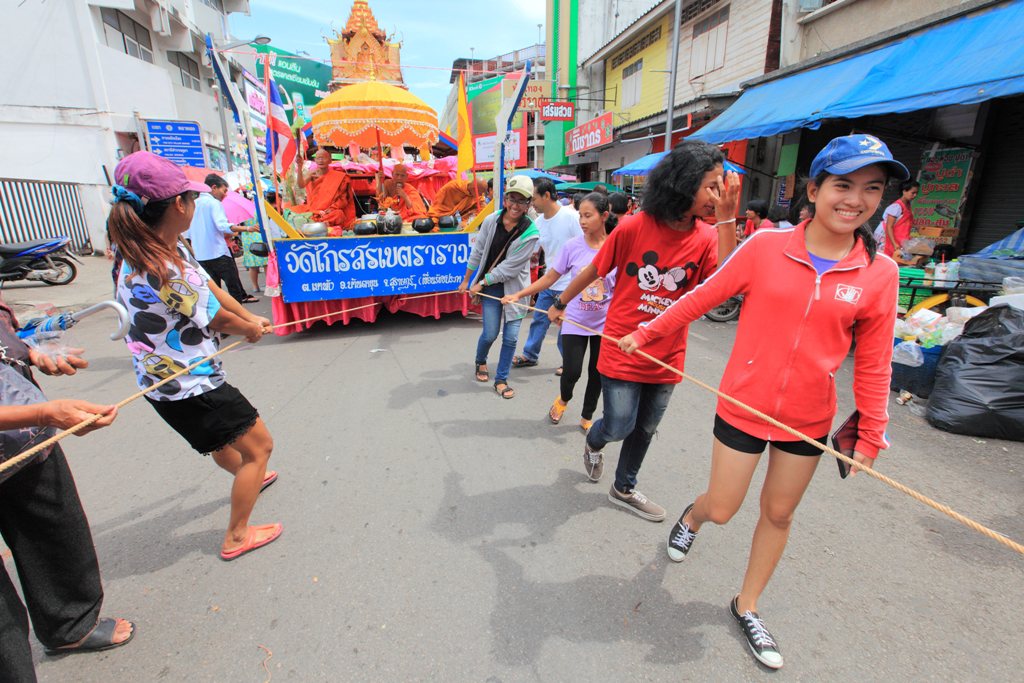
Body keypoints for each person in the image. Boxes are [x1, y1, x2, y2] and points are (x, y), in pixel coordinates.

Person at [618, 134, 906, 670]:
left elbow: (874, 360)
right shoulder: (767, 247)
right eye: (843, 185)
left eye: (872, 188)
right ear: (814, 190)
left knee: (778, 513)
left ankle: (746, 605)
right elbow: (706, 294)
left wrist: (871, 432)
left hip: (807, 419)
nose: (856, 199)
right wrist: (648, 331)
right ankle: (693, 518)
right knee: (724, 508)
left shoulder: (879, 272)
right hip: (743, 405)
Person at [548, 140, 739, 519]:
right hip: (622, 346)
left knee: (646, 427)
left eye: (723, 187)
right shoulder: (634, 228)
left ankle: (624, 487)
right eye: (712, 186)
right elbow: (595, 269)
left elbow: (728, 283)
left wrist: (728, 220)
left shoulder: (705, 237)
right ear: (684, 183)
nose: (719, 195)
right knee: (619, 423)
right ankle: (595, 440)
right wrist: (561, 302)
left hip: (668, 353)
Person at [106, 152, 282, 562]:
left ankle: (247, 477)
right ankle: (237, 535)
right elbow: (213, 314)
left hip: (162, 384)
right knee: (260, 448)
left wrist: (249, 316)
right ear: (177, 205)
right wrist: (248, 329)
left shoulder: (148, 248)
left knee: (221, 442)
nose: (193, 202)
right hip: (191, 384)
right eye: (189, 196)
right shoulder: (162, 266)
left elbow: (212, 292)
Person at [0, 296, 133, 681]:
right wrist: (45, 411)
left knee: (55, 532)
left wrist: (31, 354)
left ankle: (69, 625)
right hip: (28, 421)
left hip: (24, 441)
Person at [503, 192, 617, 431]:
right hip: (575, 319)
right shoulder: (573, 247)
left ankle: (587, 415)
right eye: (581, 216)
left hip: (605, 323)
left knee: (598, 374)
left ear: (604, 216)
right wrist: (520, 295)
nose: (582, 221)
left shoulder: (616, 247)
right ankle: (563, 399)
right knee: (572, 371)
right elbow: (552, 276)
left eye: (588, 216)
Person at [457, 176, 540, 399]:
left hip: (515, 289)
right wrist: (467, 281)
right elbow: (478, 252)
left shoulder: (531, 233)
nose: (515, 205)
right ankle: (480, 360)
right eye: (512, 199)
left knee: (511, 338)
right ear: (505, 199)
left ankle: (501, 379)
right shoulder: (491, 221)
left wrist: (480, 283)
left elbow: (509, 269)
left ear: (529, 203)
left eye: (521, 201)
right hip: (491, 288)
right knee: (490, 332)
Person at [511, 179, 582, 371]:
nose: (532, 202)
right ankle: (530, 355)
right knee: (539, 320)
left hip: (570, 284)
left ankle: (568, 363)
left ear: (547, 196)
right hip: (549, 282)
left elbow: (585, 247)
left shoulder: (572, 217)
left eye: (534, 198)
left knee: (564, 326)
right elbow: (531, 250)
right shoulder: (539, 223)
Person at [184, 174, 257, 304]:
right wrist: (247, 229)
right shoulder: (214, 203)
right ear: (214, 188)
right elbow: (222, 226)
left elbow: (187, 234)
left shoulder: (193, 204)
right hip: (219, 254)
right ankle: (240, 319)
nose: (225, 195)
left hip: (201, 257)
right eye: (224, 190)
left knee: (213, 293)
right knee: (235, 291)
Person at [292, 148, 357, 236]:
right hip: (314, 210)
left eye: (323, 158)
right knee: (292, 211)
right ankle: (321, 223)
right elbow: (301, 185)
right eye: (318, 158)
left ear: (330, 160)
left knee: (339, 214)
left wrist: (331, 209)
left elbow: (343, 199)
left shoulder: (339, 177)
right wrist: (299, 167)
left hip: (330, 212)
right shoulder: (312, 173)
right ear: (315, 160)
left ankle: (320, 223)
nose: (320, 160)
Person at [874, 180, 919, 257]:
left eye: (916, 193)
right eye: (913, 193)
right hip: (886, 236)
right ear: (904, 191)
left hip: (897, 236)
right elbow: (889, 226)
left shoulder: (908, 205)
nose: (915, 195)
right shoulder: (896, 207)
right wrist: (894, 243)